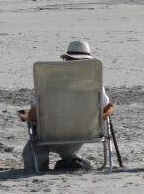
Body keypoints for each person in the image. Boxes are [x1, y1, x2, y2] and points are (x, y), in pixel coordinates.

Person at [20, 41, 115, 172]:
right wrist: (109, 111)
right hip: (85, 132)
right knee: (68, 143)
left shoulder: (50, 82)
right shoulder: (94, 83)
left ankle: (40, 167)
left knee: (34, 143)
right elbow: (105, 109)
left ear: (66, 60)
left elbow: (34, 114)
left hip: (51, 134)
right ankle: (72, 160)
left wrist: (27, 116)